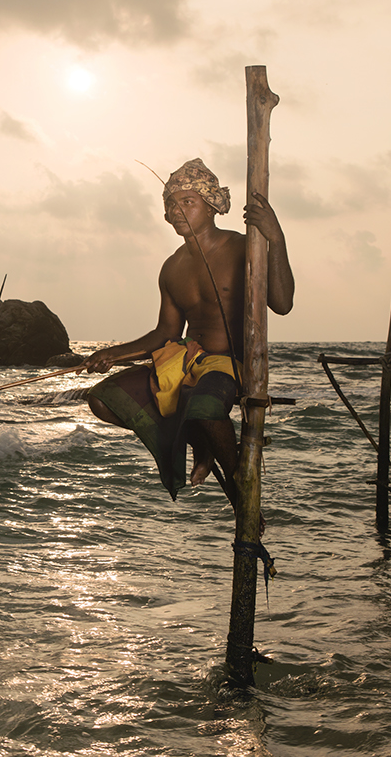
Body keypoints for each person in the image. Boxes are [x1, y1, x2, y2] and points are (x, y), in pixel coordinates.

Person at [82, 158, 294, 517]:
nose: (177, 210)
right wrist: (113, 354)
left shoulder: (243, 247)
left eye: (188, 202)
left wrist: (276, 238)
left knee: (206, 405)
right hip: (186, 362)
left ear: (212, 206)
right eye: (171, 203)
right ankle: (203, 442)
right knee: (102, 400)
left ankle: (240, 483)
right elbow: (166, 332)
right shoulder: (172, 267)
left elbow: (283, 303)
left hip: (232, 364)